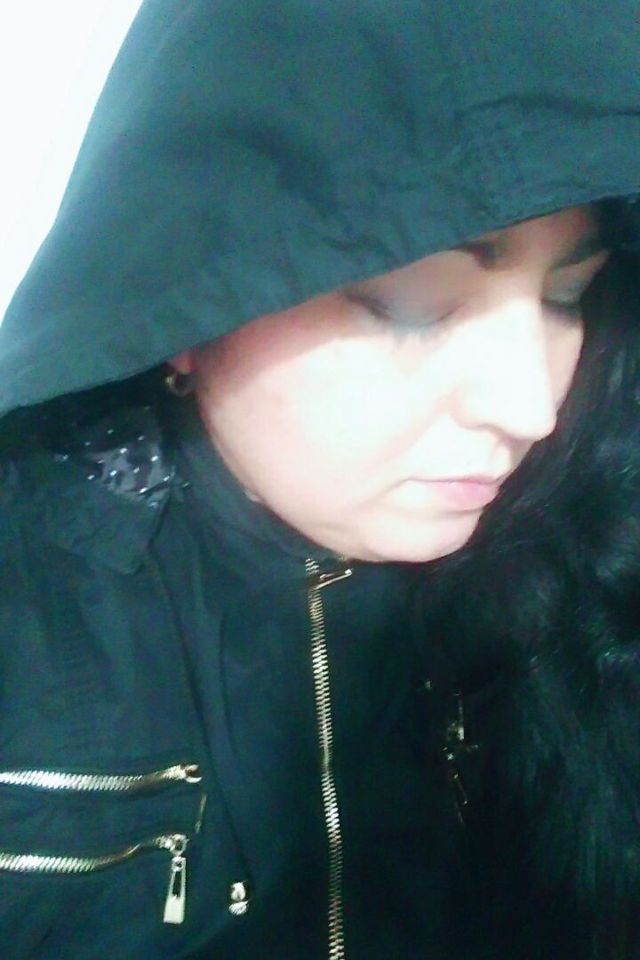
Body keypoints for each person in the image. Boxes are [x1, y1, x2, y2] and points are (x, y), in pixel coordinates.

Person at [0, 1, 638, 958]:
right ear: (185, 301)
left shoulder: (576, 548)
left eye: (568, 296)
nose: (532, 409)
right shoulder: (26, 606)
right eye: (414, 304)